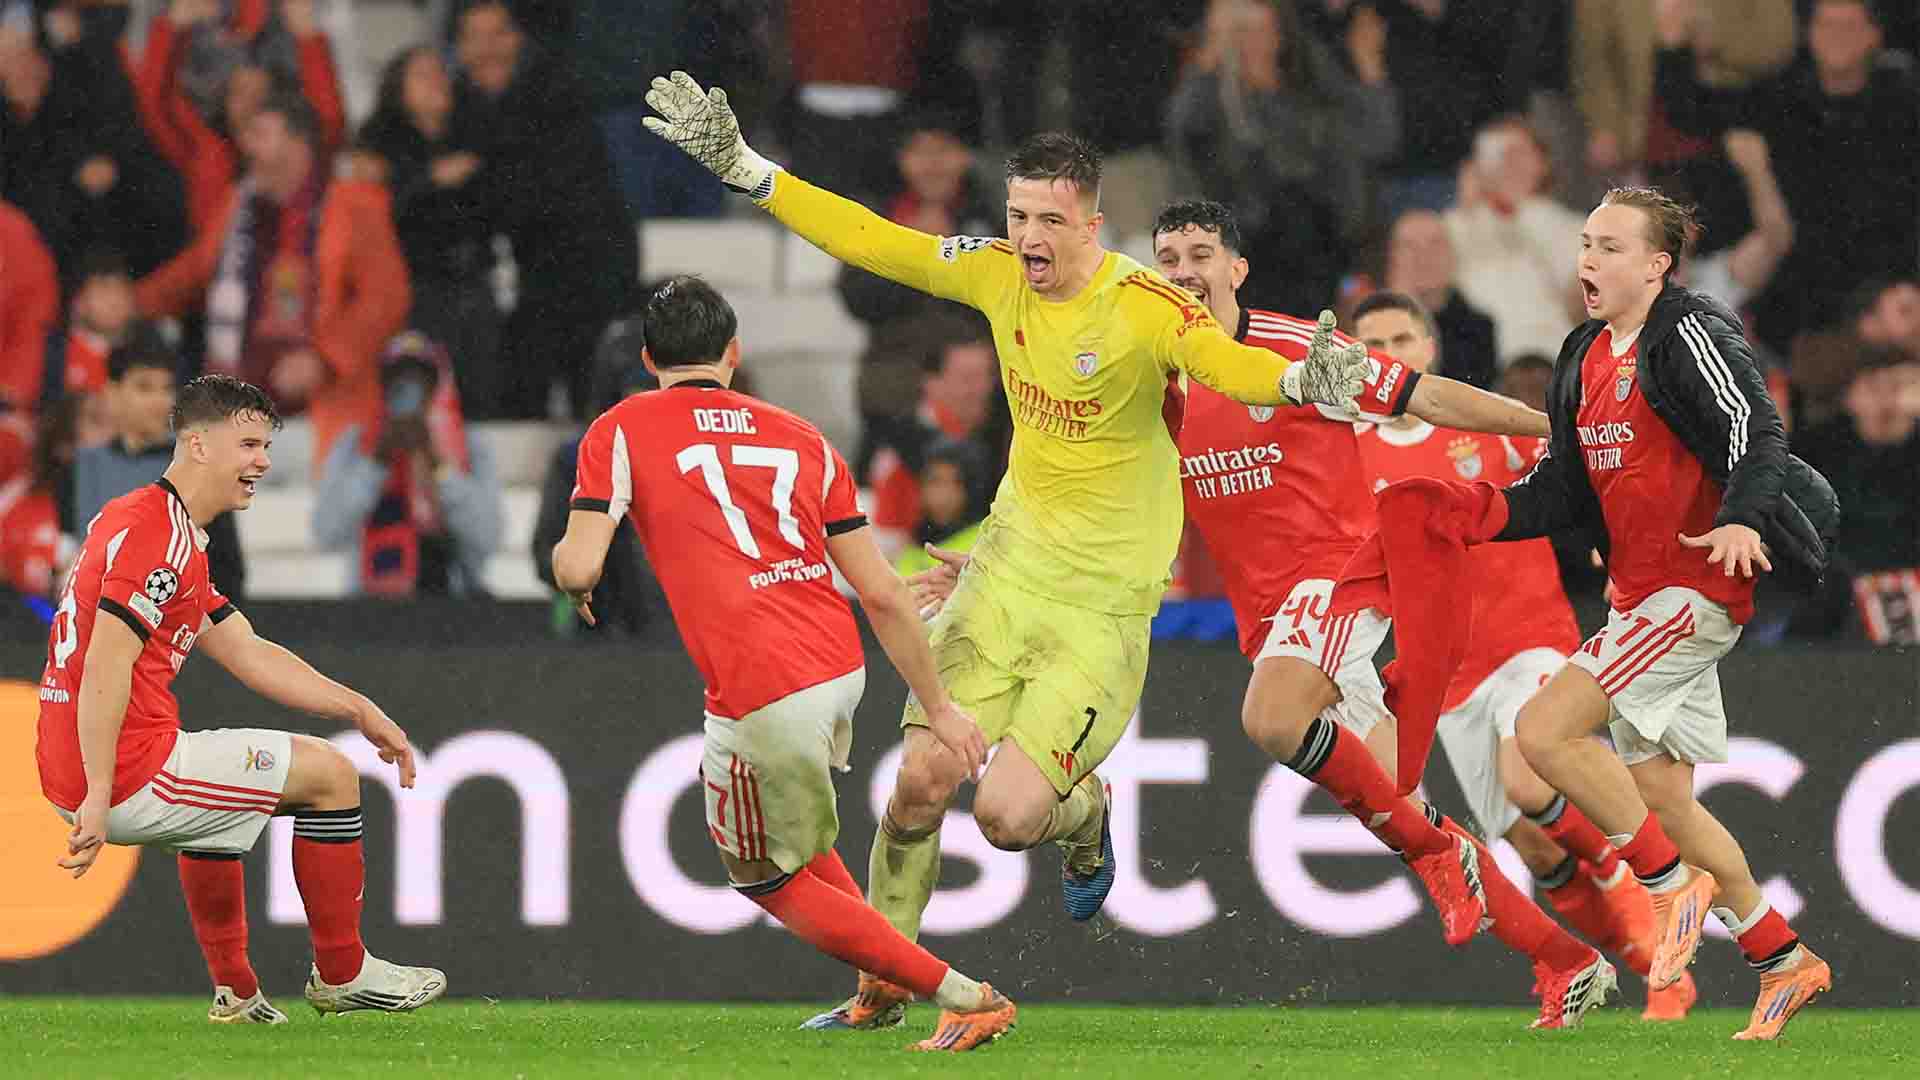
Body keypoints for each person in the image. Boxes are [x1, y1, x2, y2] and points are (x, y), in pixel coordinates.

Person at [642, 71, 1375, 1032]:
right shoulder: (993, 271)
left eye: (1048, 219)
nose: (1027, 236)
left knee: (1007, 816)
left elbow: (1222, 364)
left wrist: (1295, 379)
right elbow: (874, 240)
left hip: (1102, 609)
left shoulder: (1147, 307)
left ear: (1092, 224)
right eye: (1017, 214)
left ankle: (1089, 816)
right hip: (1004, 578)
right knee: (917, 786)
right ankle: (880, 989)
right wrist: (747, 169)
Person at [1143, 201, 1612, 1030]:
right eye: (1168, 256)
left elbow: (1429, 397)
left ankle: (1452, 862)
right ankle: (1565, 958)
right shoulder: (1160, 380)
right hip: (1273, 622)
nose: (1183, 271)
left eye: (1201, 253)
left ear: (1236, 269)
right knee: (1407, 813)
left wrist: (1556, 430)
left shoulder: (1300, 354)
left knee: (1272, 720)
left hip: (1339, 584)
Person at [550, 276, 1016, 1053]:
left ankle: (963, 995)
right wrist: (938, 707)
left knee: (765, 875)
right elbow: (883, 593)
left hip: (759, 682)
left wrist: (578, 567)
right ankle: (880, 985)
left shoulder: (622, 428)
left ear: (646, 358)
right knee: (798, 841)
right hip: (836, 664)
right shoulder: (804, 438)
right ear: (733, 353)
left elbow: (576, 564)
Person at [1498, 187, 1835, 1039]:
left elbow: (1756, 431)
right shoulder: (1581, 353)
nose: (1589, 260)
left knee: (1543, 735)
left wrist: (1737, 519)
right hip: (1639, 600)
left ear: (1658, 265)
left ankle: (1662, 883)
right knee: (1665, 799)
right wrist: (1479, 517)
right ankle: (1781, 956)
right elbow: (1563, 490)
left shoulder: (1686, 332)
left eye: (1611, 247)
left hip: (1695, 591)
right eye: (1585, 243)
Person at [36, 374, 444, 1023]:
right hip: (120, 770)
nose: (262, 461)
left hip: (84, 763)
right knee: (331, 776)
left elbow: (247, 652)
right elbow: (106, 668)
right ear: (198, 445)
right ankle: (344, 972)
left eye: (266, 446)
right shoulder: (161, 540)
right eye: (249, 444)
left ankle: (238, 993)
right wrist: (97, 793)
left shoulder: (147, 523)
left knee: (221, 809)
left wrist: (360, 709)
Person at [1352, 290, 1693, 1021]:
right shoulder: (1348, 452)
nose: (1388, 353)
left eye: (1402, 337)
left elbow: (1578, 476)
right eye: (1371, 341)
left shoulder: (1488, 422)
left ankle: (1638, 887)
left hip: (1529, 637)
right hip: (1447, 675)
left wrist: (1613, 539)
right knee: (1534, 849)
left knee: (1529, 770)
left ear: (1429, 348)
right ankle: (1647, 966)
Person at [310, 332, 502, 598]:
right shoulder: (354, 445)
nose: (409, 393)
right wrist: (376, 463)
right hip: (371, 604)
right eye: (397, 382)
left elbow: (487, 538)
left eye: (420, 382)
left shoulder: (470, 446)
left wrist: (438, 467)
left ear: (437, 387)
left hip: (452, 601)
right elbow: (326, 533)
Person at [72, 341, 247, 604]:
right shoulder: (79, 468)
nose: (159, 401)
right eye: (144, 387)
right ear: (112, 393)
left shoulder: (203, 471)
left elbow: (228, 576)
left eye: (166, 389)